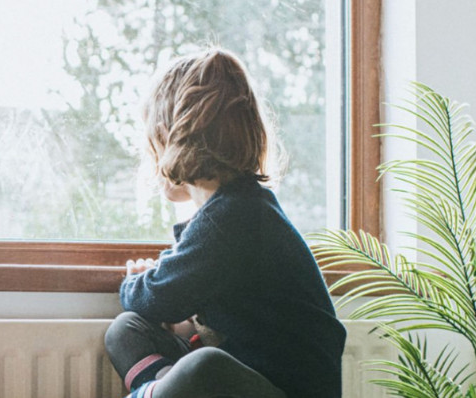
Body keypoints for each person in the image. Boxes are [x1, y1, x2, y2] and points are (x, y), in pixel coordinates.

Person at [104, 48, 346, 398]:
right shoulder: (230, 213)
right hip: (245, 375)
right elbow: (185, 295)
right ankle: (159, 391)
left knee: (202, 367)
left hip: (286, 390)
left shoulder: (234, 217)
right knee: (126, 330)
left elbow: (159, 297)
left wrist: (134, 282)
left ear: (166, 139)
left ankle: (154, 392)